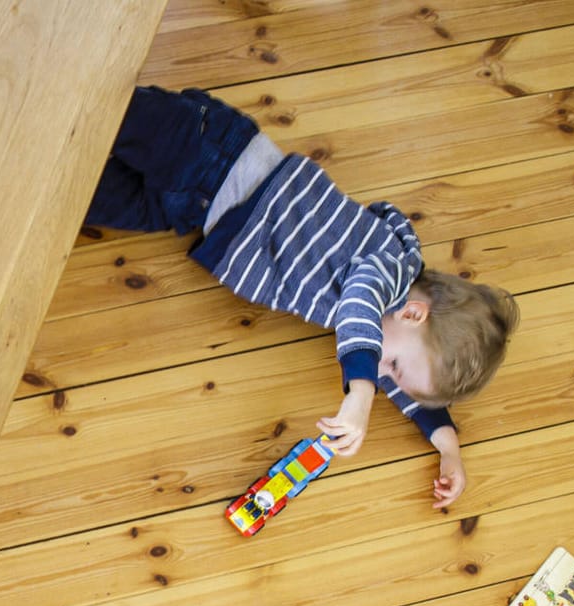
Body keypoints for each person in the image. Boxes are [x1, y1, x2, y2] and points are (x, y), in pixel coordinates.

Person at [86, 86, 520, 509]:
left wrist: (448, 447)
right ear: (412, 313)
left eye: (388, 373)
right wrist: (360, 392)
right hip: (211, 157)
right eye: (393, 365)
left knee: (76, 190)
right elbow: (361, 302)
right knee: (94, 106)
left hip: (193, 209)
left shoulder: (392, 330)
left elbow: (399, 382)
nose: (384, 374)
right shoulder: (390, 266)